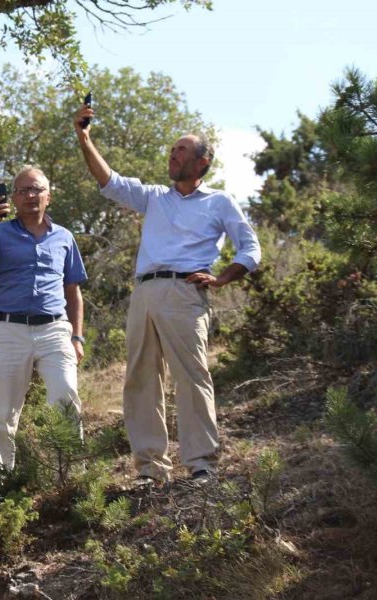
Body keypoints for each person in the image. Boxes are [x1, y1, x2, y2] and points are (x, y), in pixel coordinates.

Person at [73, 105, 261, 485]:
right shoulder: (155, 197)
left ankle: (201, 463)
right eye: (172, 150)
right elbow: (109, 181)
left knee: (191, 377)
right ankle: (150, 468)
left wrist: (222, 279)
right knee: (140, 379)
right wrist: (84, 137)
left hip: (185, 293)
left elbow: (251, 248)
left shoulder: (219, 202)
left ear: (202, 161)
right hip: (144, 292)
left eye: (181, 150)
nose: (173, 155)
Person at [0, 165, 88, 474]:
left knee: (66, 399)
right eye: (23, 191)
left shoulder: (64, 237)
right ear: (14, 198)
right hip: (8, 329)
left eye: (37, 189)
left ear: (49, 196)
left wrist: (77, 337)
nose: (31, 195)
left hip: (55, 329)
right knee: (2, 411)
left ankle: (72, 479)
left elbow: (73, 290)